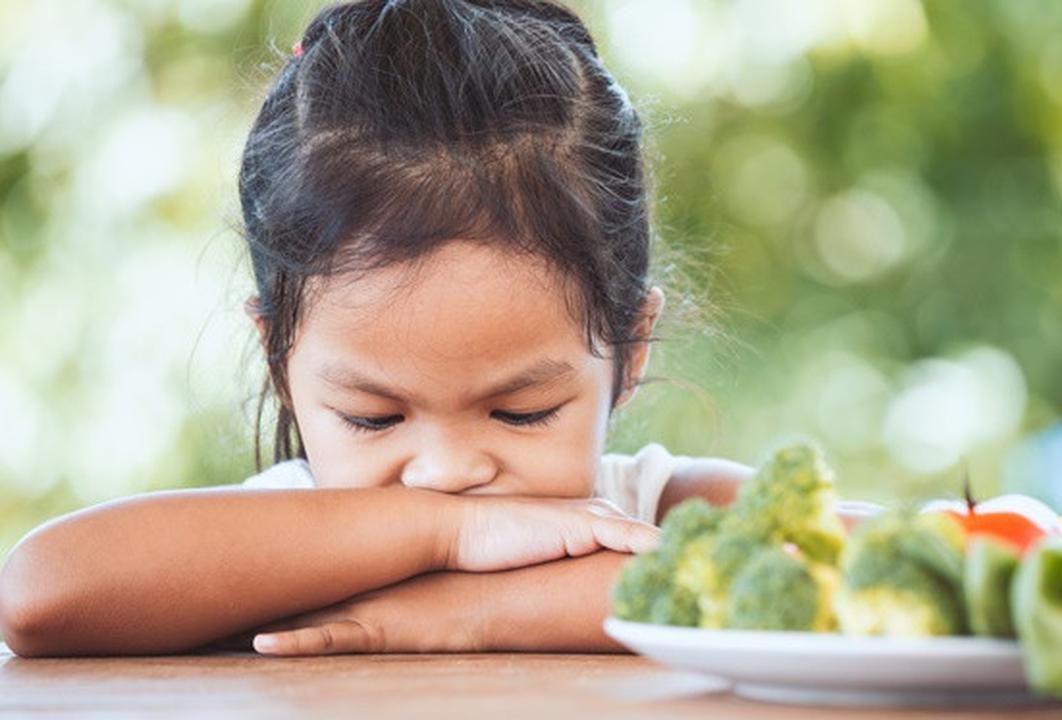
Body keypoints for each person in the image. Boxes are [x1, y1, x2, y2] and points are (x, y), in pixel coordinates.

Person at [0, 0, 756, 658]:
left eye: (522, 413)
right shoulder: (275, 534)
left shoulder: (651, 507)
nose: (445, 472)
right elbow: (36, 596)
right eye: (374, 417)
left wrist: (468, 614)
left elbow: (862, 567)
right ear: (278, 361)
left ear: (629, 353)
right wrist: (444, 537)